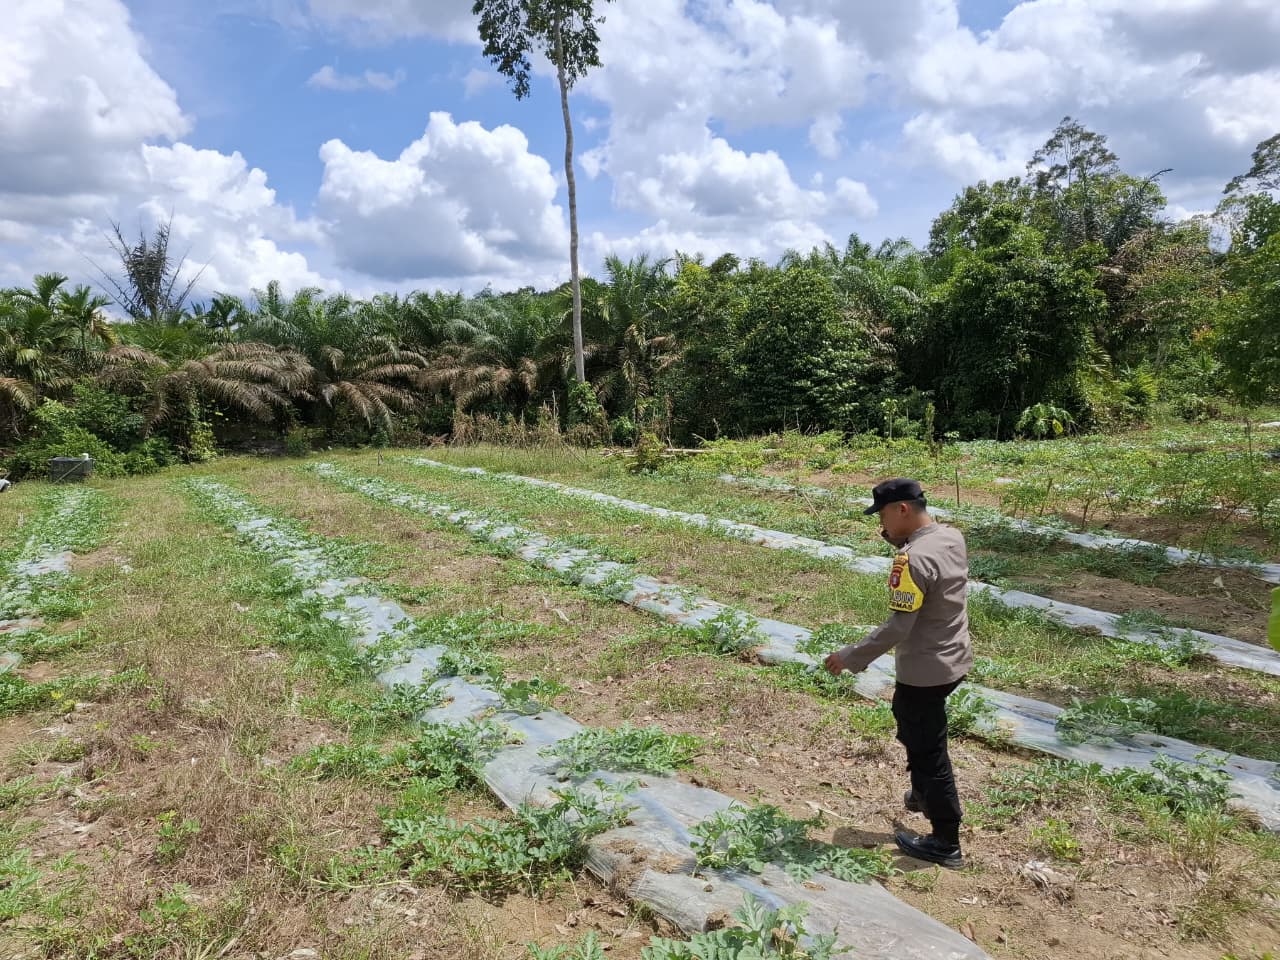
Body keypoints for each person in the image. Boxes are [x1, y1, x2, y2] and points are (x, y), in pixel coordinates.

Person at [824, 478, 973, 867]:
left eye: (884, 516)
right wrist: (902, 542)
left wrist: (851, 656)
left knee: (928, 750)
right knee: (907, 718)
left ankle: (945, 840)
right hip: (954, 659)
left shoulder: (912, 560)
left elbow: (898, 627)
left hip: (925, 669)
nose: (882, 525)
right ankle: (921, 792)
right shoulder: (950, 536)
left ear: (902, 509)